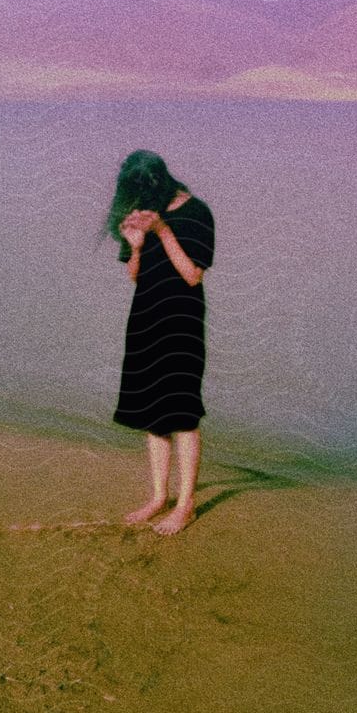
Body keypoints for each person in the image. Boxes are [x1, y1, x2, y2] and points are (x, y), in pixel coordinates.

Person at [104, 150, 215, 535]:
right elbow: (136, 277)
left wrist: (162, 230)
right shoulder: (142, 212)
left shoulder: (197, 212)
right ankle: (158, 496)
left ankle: (185, 506)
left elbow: (192, 275)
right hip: (145, 317)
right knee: (153, 412)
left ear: (160, 180)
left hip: (181, 321)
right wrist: (135, 244)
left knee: (182, 411)